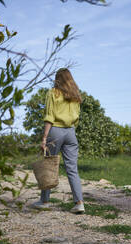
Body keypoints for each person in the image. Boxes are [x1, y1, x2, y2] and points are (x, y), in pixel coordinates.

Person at [32, 68, 85, 213]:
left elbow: (49, 117)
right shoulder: (76, 95)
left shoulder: (52, 93)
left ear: (57, 79)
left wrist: (44, 138)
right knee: (72, 169)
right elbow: (77, 117)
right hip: (71, 132)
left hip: (55, 130)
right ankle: (79, 203)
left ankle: (45, 201)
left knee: (48, 165)